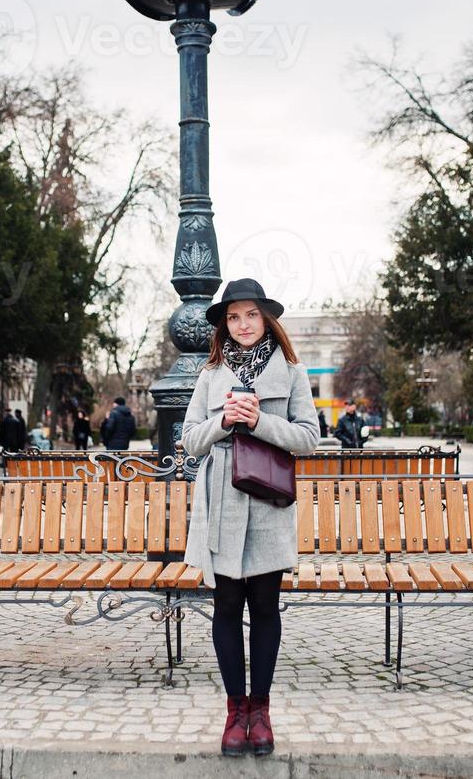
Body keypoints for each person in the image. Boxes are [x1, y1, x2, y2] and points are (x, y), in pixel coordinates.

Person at [182, 278, 319, 757]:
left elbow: (309, 438)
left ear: (267, 319)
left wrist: (260, 421)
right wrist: (224, 421)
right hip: (221, 502)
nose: (243, 324)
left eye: (251, 315)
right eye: (234, 316)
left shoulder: (293, 374)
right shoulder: (210, 375)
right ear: (225, 323)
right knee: (225, 607)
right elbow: (189, 440)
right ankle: (234, 711)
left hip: (266, 501)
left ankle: (260, 711)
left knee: (264, 608)